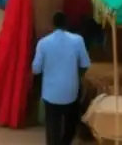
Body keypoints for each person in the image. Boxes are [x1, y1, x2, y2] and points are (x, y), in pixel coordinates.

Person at [32, 12, 91, 145]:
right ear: (66, 24)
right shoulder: (78, 40)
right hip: (71, 92)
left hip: (50, 94)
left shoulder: (43, 43)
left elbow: (36, 69)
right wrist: (76, 76)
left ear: (53, 25)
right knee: (71, 123)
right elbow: (85, 65)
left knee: (53, 124)